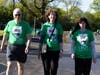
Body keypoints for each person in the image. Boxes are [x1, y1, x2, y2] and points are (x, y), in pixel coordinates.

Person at [0, 8, 32, 75]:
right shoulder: (10, 23)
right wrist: (2, 45)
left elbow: (29, 37)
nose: (17, 16)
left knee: (20, 66)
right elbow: (5, 35)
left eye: (19, 14)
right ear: (13, 15)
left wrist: (27, 46)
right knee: (10, 65)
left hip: (22, 47)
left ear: (21, 15)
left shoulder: (25, 24)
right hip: (11, 47)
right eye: (16, 15)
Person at [39, 8, 63, 75]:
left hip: (56, 50)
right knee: (46, 69)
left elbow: (60, 39)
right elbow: (41, 38)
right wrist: (39, 49)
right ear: (48, 16)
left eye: (54, 15)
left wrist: (61, 50)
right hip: (45, 50)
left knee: (54, 69)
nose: (53, 16)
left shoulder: (58, 26)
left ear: (56, 17)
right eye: (51, 15)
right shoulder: (44, 26)